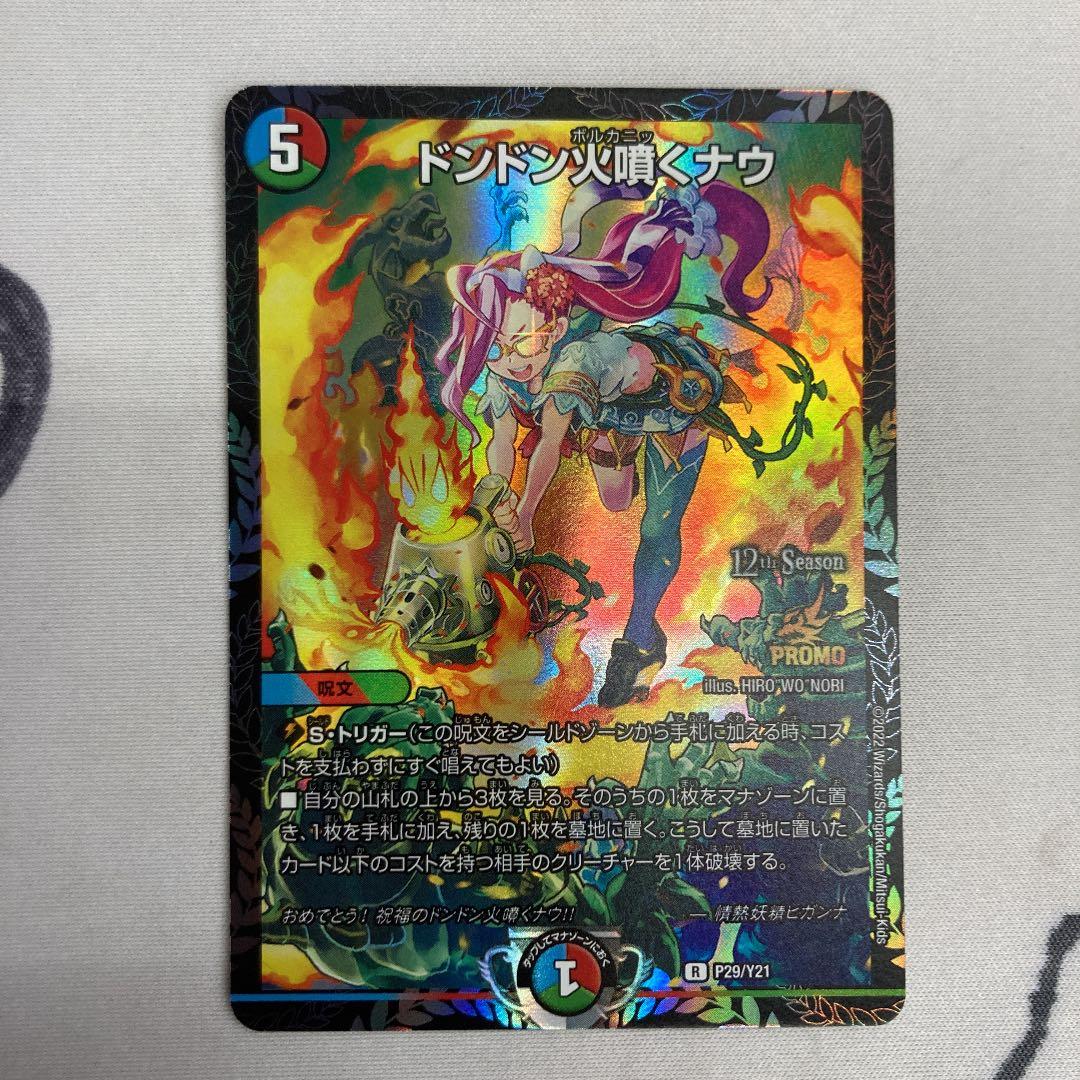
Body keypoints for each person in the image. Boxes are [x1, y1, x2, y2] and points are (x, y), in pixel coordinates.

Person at [433, 181, 785, 706]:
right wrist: (494, 502)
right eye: (499, 349)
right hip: (609, 420)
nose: (514, 360)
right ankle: (619, 464)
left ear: (554, 327)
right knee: (617, 499)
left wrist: (524, 516)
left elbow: (550, 442)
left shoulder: (578, 358)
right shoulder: (504, 365)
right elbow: (501, 439)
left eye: (525, 341)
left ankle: (640, 638)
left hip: (673, 408)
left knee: (657, 526)